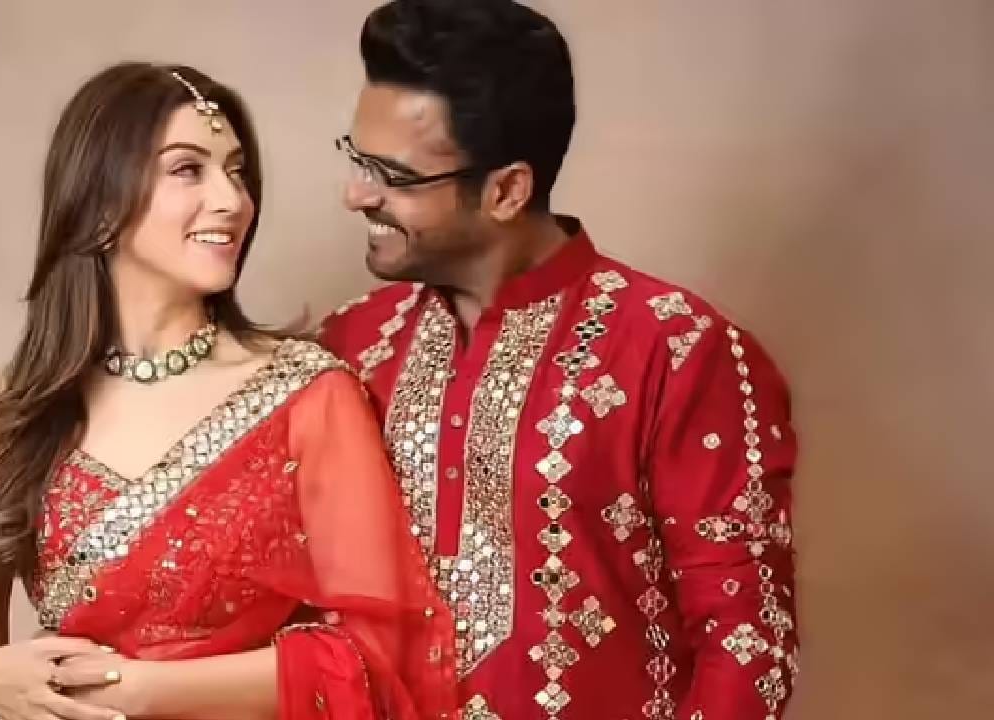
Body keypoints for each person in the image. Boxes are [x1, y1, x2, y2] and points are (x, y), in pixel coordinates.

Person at [0, 62, 456, 720]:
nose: (233, 200)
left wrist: (141, 689)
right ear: (100, 204)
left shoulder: (306, 394)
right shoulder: (1, 414)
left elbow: (379, 650)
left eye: (236, 171)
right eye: (187, 169)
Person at [320, 2, 800, 719]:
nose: (356, 194)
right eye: (359, 161)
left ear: (507, 190)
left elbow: (746, 641)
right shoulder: (352, 344)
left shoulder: (677, 351)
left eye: (392, 175)